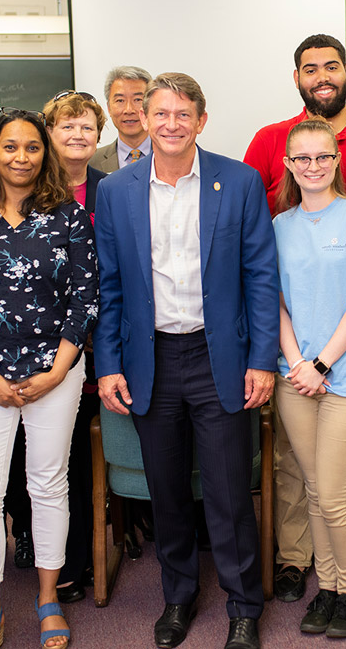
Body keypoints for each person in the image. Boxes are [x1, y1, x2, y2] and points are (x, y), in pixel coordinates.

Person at [94, 72, 277, 649]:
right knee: (167, 492)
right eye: (160, 114)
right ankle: (178, 597)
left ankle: (243, 605)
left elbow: (260, 277)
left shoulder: (240, 181)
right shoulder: (116, 190)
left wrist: (262, 359)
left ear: (201, 120)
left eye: (183, 114)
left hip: (218, 356)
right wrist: (108, 364)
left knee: (227, 493)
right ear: (144, 120)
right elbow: (109, 286)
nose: (171, 125)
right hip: (150, 358)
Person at [243, 33, 346, 600]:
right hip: (295, 350)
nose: (321, 75)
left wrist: (324, 359)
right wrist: (297, 361)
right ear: (297, 77)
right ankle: (295, 559)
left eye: (330, 66)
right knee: (297, 466)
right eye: (309, 67)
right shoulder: (268, 141)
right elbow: (256, 248)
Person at [0, 106, 97, 649]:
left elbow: (85, 300)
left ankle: (49, 599)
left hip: (57, 372)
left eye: (32, 147)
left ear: (44, 153)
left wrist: (57, 371)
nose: (22, 157)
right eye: (10, 147)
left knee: (48, 486)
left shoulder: (68, 216)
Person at [273, 119, 346, 638]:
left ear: (336, 160)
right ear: (289, 165)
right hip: (294, 378)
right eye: (303, 159)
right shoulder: (279, 226)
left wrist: (322, 365)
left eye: (323, 157)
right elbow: (275, 305)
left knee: (335, 495)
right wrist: (298, 363)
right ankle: (329, 587)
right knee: (316, 490)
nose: (313, 167)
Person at [39, 89, 110, 603]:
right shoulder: (30, 189)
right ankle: (49, 552)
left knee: (86, 457)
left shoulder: (114, 188)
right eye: (67, 127)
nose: (77, 136)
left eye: (87, 126)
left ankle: (82, 558)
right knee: (47, 458)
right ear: (49, 132)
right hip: (44, 343)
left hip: (100, 339)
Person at [90, 65, 152, 172]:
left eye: (138, 99)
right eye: (120, 100)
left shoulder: (171, 156)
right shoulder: (91, 162)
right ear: (109, 108)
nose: (129, 110)